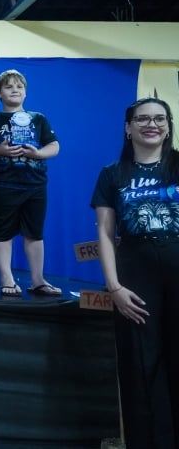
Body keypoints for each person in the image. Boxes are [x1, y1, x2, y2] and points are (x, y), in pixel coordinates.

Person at [91, 97, 179, 448]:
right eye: (142, 119)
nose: (151, 124)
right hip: (135, 273)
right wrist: (114, 287)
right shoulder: (112, 174)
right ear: (128, 128)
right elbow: (104, 233)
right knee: (140, 363)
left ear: (168, 126)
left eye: (159, 118)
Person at [0, 69, 61, 297]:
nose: (14, 90)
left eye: (19, 87)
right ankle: (7, 277)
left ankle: (38, 280)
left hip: (35, 184)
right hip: (4, 184)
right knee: (3, 233)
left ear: (25, 93)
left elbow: (54, 146)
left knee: (35, 233)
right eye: (8, 87)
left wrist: (38, 154)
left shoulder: (38, 119)